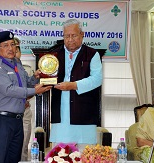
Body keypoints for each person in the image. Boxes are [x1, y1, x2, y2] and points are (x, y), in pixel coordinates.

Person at [0, 31, 52, 163]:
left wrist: (35, 77)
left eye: (12, 44)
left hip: (17, 121)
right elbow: (9, 90)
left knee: (14, 159)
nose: (10, 48)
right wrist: (34, 90)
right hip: (0, 122)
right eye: (5, 45)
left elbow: (25, 83)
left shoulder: (17, 64)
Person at [49, 19, 103, 151]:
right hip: (61, 118)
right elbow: (48, 77)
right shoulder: (54, 54)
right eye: (67, 36)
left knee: (86, 157)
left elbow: (97, 79)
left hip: (84, 116)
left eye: (74, 35)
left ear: (82, 35)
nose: (70, 39)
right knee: (60, 157)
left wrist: (74, 85)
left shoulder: (92, 54)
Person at [14, 37, 33, 161]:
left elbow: (32, 89)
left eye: (17, 49)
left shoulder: (27, 69)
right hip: (8, 114)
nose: (14, 52)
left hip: (24, 112)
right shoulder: (0, 68)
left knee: (23, 148)